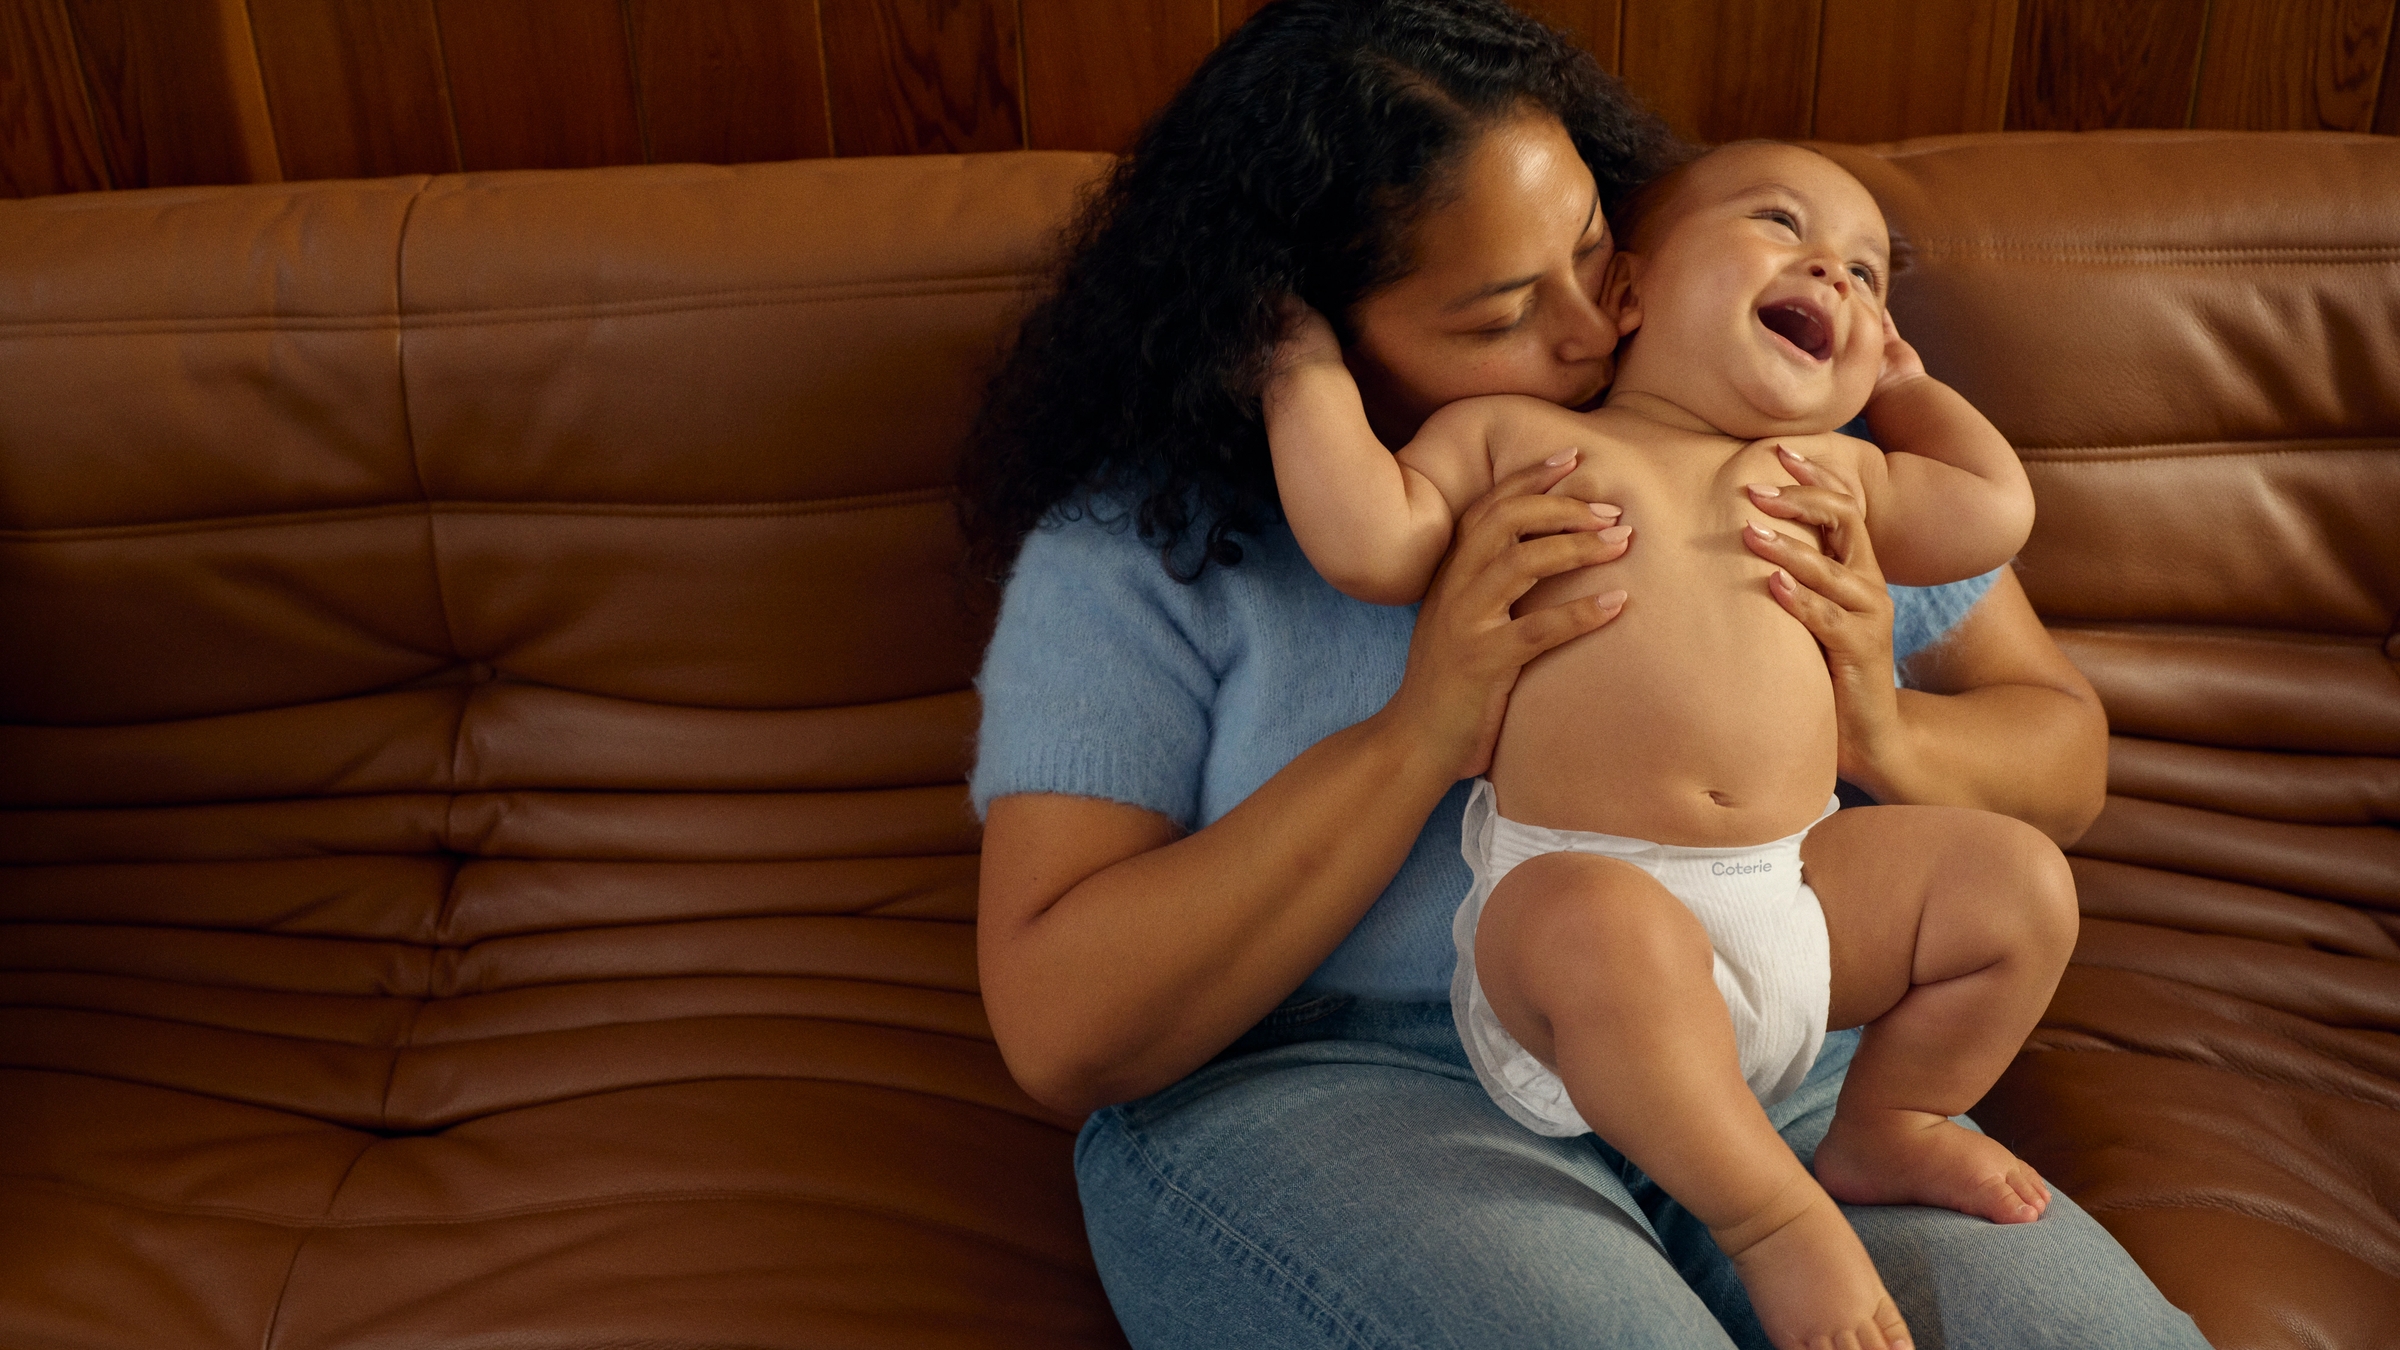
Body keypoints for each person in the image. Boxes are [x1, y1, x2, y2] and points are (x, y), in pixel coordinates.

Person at [961, 1, 2209, 1345]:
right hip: (1345, 1083)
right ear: (1307, 332)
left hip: (1770, 1053)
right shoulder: (1141, 549)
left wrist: (1885, 725)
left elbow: (2060, 757)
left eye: (1594, 249)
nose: (1590, 327)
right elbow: (1063, 1026)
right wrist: (1422, 730)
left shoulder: (1762, 421)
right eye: (1501, 310)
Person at [1263, 137, 2072, 1350]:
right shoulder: (1512, 436)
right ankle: (1772, 1224)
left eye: (1870, 275)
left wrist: (1900, 387)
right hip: (1575, 938)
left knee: (2022, 886)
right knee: (1601, 923)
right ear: (1631, 294)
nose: (1838, 277)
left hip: (1794, 905)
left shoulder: (1839, 476)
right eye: (1784, 226)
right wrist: (1297, 364)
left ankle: (1891, 1120)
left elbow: (1995, 508)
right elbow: (1371, 541)